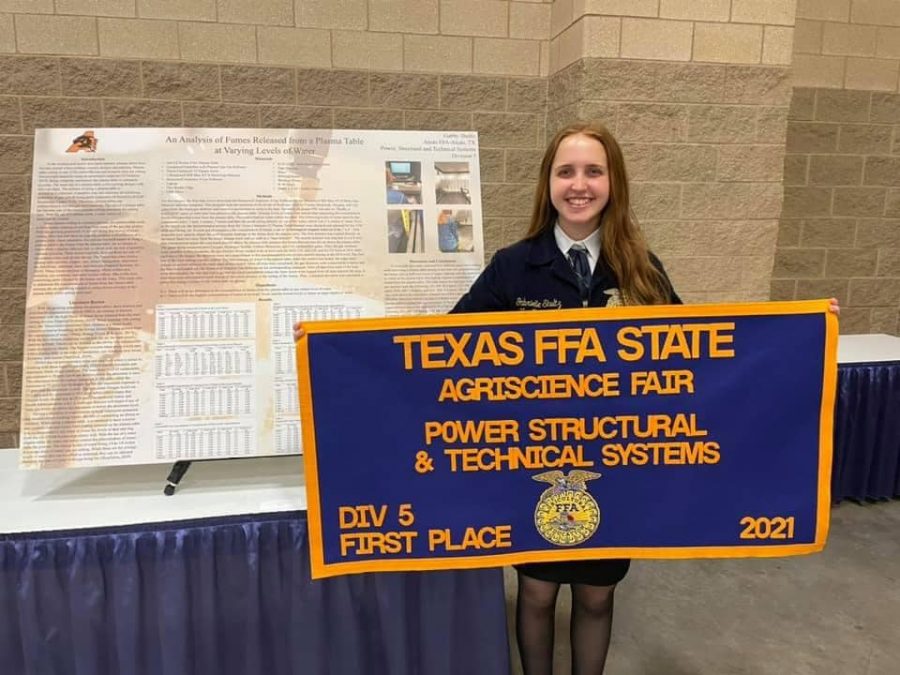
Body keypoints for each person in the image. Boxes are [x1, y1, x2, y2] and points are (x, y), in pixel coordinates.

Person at [293, 121, 840, 674]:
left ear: (613, 182)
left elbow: (699, 358)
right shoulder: (513, 265)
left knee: (598, 596)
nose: (580, 184)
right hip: (530, 466)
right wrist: (336, 350)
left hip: (615, 467)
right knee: (535, 593)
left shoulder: (641, 270)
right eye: (566, 171)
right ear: (548, 183)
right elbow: (442, 348)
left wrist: (802, 334)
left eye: (593, 171)